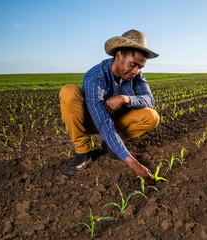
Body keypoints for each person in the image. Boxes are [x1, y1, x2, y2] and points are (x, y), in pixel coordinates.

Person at [59, 29, 159, 185]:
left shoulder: (136, 74)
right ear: (119, 55)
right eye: (133, 65)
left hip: (117, 120)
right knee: (68, 91)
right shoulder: (95, 76)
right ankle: (83, 152)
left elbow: (149, 100)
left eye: (140, 67)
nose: (136, 71)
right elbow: (103, 123)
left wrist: (124, 99)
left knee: (152, 116)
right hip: (91, 121)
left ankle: (110, 144)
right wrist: (133, 164)